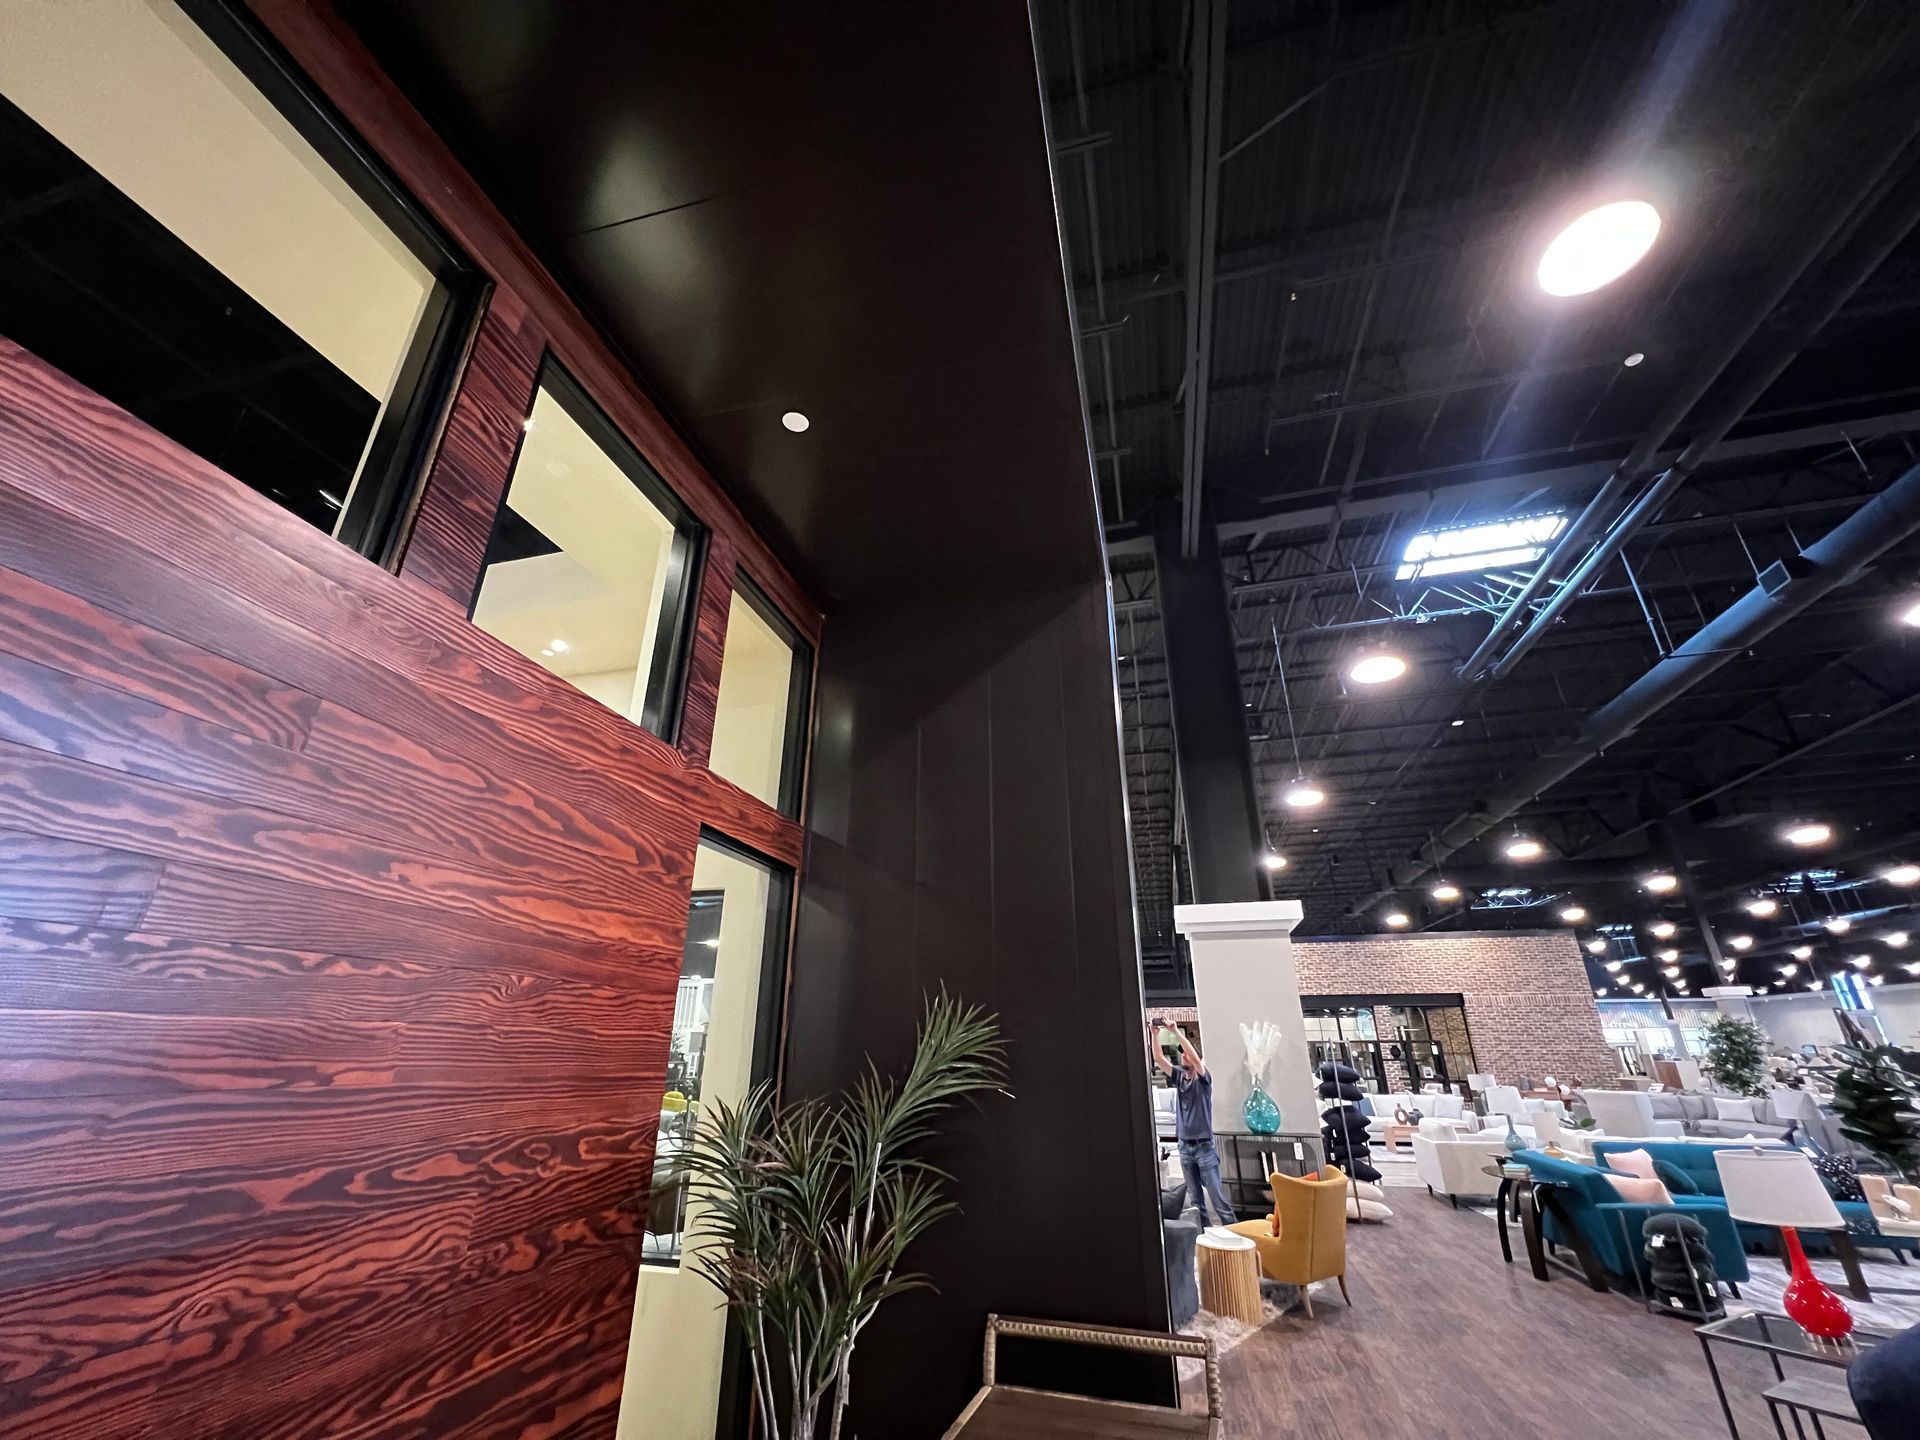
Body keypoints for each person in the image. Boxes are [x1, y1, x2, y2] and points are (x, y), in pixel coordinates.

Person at [1146, 1016, 1238, 1229]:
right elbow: (1159, 1058)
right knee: (1196, 1199)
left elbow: (1195, 1058)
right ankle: (1204, 1236)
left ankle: (1235, 1232)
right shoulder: (1179, 1076)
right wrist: (1154, 1035)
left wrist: (1176, 1031)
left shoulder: (1204, 1079)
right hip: (1184, 1146)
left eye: (1186, 1054)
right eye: (1183, 1054)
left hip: (1204, 1147)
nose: (1183, 1056)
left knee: (1217, 1198)